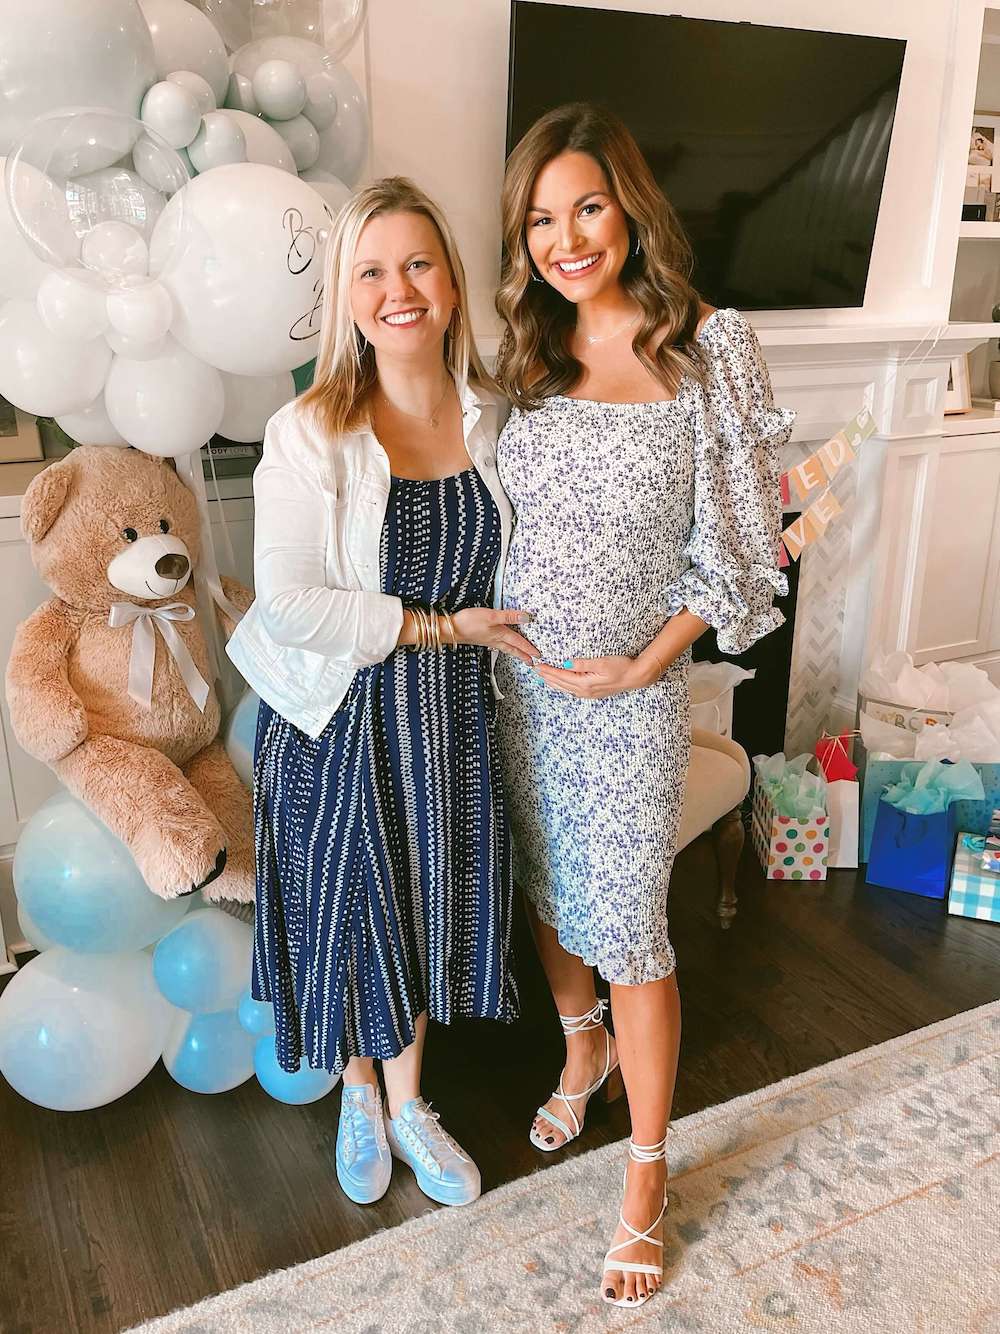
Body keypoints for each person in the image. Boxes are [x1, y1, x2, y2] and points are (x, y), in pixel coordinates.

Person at [494, 103, 793, 1307]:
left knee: (630, 925)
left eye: (587, 207)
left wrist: (646, 658)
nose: (566, 238)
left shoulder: (706, 348)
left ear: (629, 208)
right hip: (518, 686)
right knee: (548, 888)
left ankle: (647, 1175)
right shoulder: (523, 357)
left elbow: (742, 543)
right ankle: (582, 1056)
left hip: (630, 700)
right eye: (539, 219)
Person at [227, 177, 537, 1210]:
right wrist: (440, 623)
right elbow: (290, 605)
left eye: (417, 264)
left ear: (450, 281)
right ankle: (359, 1092)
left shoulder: (497, 413)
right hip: (338, 714)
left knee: (426, 905)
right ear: (347, 298)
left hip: (450, 715)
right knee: (353, 913)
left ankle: (411, 1099)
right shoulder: (309, 430)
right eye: (371, 270)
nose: (397, 289)